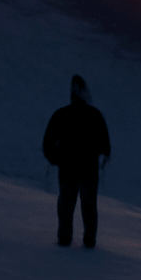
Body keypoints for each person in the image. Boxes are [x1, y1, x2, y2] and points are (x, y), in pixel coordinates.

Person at [42, 74, 110, 248]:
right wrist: (100, 158)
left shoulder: (62, 114)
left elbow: (48, 142)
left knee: (66, 204)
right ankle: (89, 240)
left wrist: (56, 158)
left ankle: (64, 238)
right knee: (88, 206)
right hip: (89, 170)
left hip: (68, 169)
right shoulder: (95, 115)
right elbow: (106, 146)